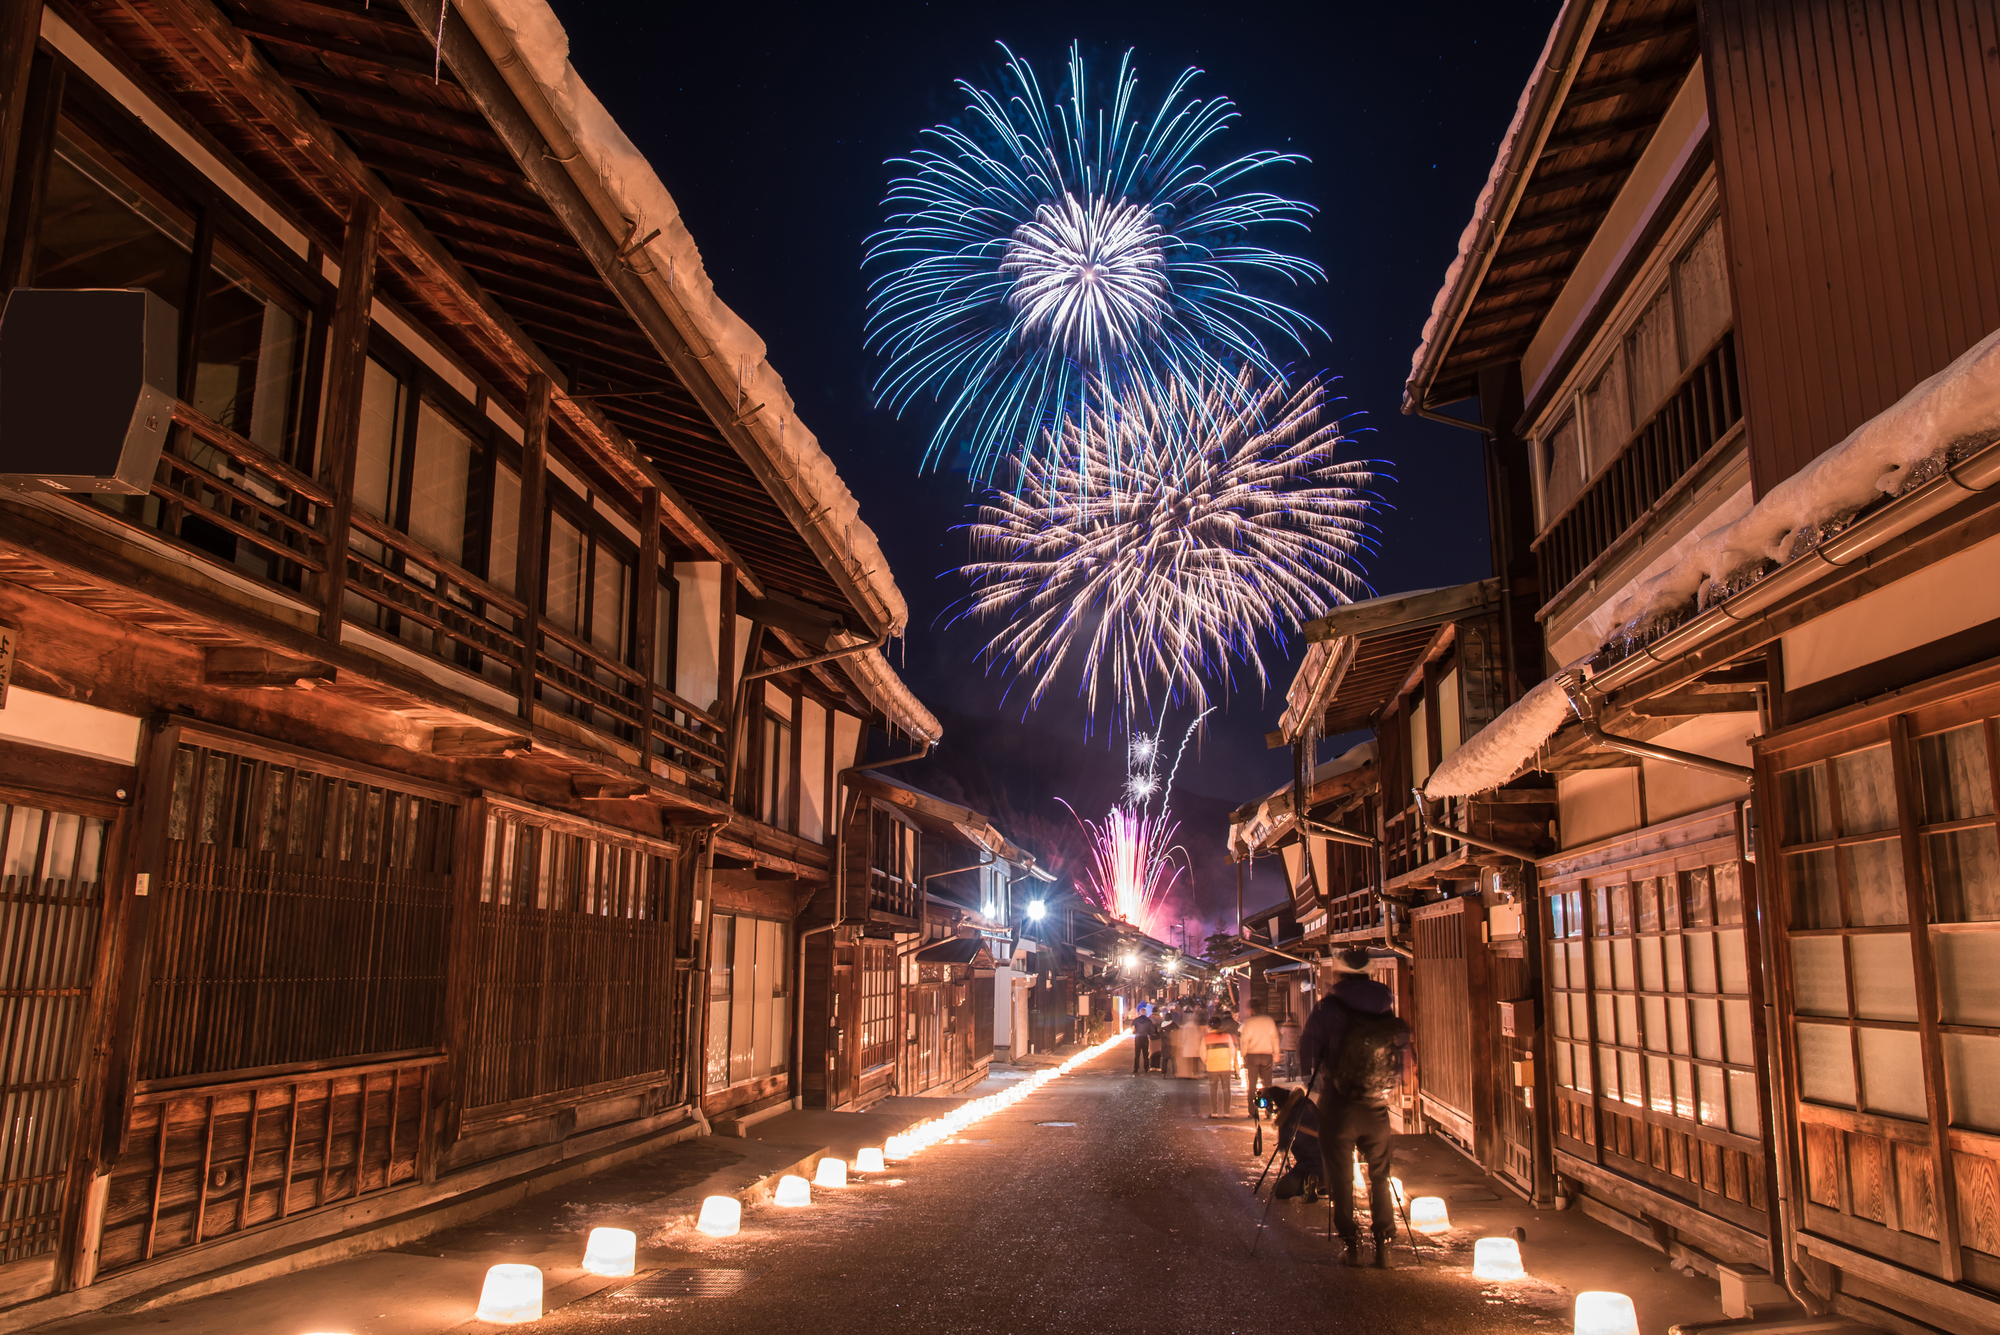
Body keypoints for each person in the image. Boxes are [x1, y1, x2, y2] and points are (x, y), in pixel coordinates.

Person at [1301, 948, 1414, 1268]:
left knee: (1340, 1176)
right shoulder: (1386, 1008)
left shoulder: (1329, 1007)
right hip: (1377, 1106)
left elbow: (1307, 1051)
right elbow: (1402, 1058)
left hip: (1338, 1104)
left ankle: (1352, 1245)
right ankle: (1384, 1245)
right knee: (1381, 1175)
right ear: (1370, 973)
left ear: (1337, 974)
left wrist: (1320, 1071)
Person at [1239, 1001, 1281, 1120]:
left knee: (1252, 1084)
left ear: (1252, 1009)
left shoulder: (1249, 1022)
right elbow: (1275, 1038)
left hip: (1252, 1055)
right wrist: (1276, 1052)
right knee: (1267, 1084)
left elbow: (1244, 1040)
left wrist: (1243, 1054)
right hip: (1267, 1054)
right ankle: (1268, 1110)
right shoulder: (1269, 1021)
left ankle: (1252, 1111)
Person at [1202, 1014, 1239, 1117]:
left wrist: (1208, 1061)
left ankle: (1214, 1112)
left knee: (1213, 1089)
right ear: (1220, 1025)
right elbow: (1232, 1051)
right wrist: (1228, 1060)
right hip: (1225, 1066)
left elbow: (1202, 1053)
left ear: (1210, 1026)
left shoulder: (1206, 1038)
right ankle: (1226, 1113)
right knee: (1226, 1089)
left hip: (1212, 1066)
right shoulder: (1227, 1036)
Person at [1131, 1006, 1156, 1075]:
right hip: (1145, 1038)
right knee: (1145, 1054)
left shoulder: (1136, 1020)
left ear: (1140, 1013)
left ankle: (1136, 1068)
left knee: (1137, 1054)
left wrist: (1135, 1032)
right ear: (1145, 1013)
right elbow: (1152, 1030)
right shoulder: (1148, 1021)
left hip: (1138, 1038)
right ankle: (1146, 1068)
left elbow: (1132, 1028)